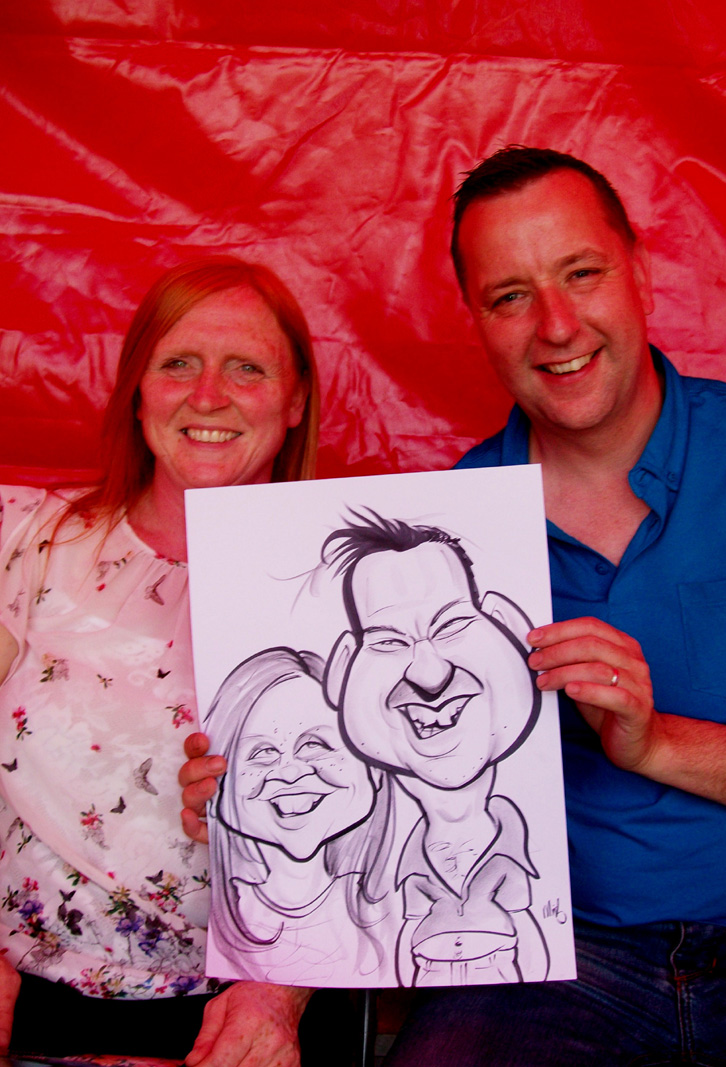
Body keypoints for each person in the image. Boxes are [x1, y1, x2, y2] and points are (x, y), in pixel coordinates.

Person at [380, 147, 726, 1063]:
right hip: (561, 959)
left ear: (640, 272)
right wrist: (258, 791)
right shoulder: (443, 530)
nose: (557, 325)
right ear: (477, 321)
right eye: (511, 296)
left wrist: (655, 743)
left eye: (581, 273)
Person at [0, 256, 322, 1065]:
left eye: (246, 368)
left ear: (294, 402)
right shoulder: (24, 543)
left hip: (237, 1020)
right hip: (21, 1002)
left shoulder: (348, 595)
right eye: (178, 363)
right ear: (137, 390)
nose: (207, 395)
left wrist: (279, 993)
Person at [322, 512, 548, 989]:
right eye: (387, 642)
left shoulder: (541, 839)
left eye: (453, 626)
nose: (429, 675)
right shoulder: (344, 854)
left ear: (510, 627)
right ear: (341, 673)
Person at [206, 646, 389, 986]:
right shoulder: (222, 919)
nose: (289, 772)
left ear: (373, 764)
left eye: (315, 745)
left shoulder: (396, 914)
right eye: (262, 752)